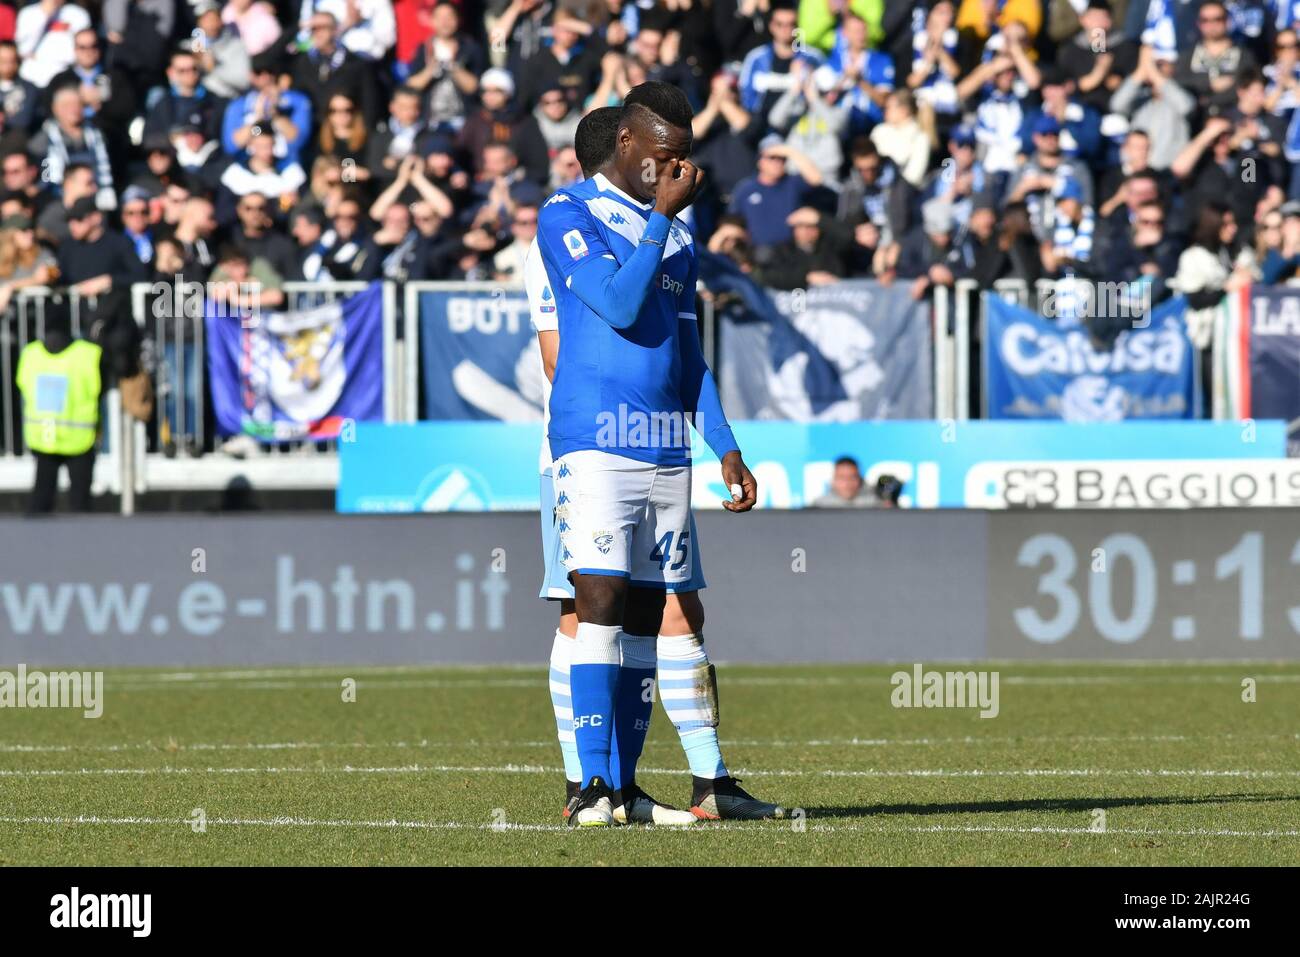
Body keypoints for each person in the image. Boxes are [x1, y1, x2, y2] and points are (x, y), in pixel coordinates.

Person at [537, 81, 779, 828]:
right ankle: (592, 785)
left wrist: (727, 447)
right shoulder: (565, 213)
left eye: (688, 156)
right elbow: (612, 303)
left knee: (660, 607)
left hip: (666, 445)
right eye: (666, 155)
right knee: (599, 598)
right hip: (594, 438)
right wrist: (659, 221)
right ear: (629, 144)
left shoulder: (676, 234)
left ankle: (637, 788)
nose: (678, 170)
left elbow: (688, 356)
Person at [15, 296, 102, 513]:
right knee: (80, 504)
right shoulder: (88, 354)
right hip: (80, 439)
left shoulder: (30, 353)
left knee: (41, 500)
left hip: (44, 436)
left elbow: (23, 386)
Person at [811, 457, 878, 508]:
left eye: (852, 477)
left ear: (860, 479)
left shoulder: (875, 504)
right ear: (833, 480)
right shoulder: (819, 506)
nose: (847, 483)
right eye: (842, 477)